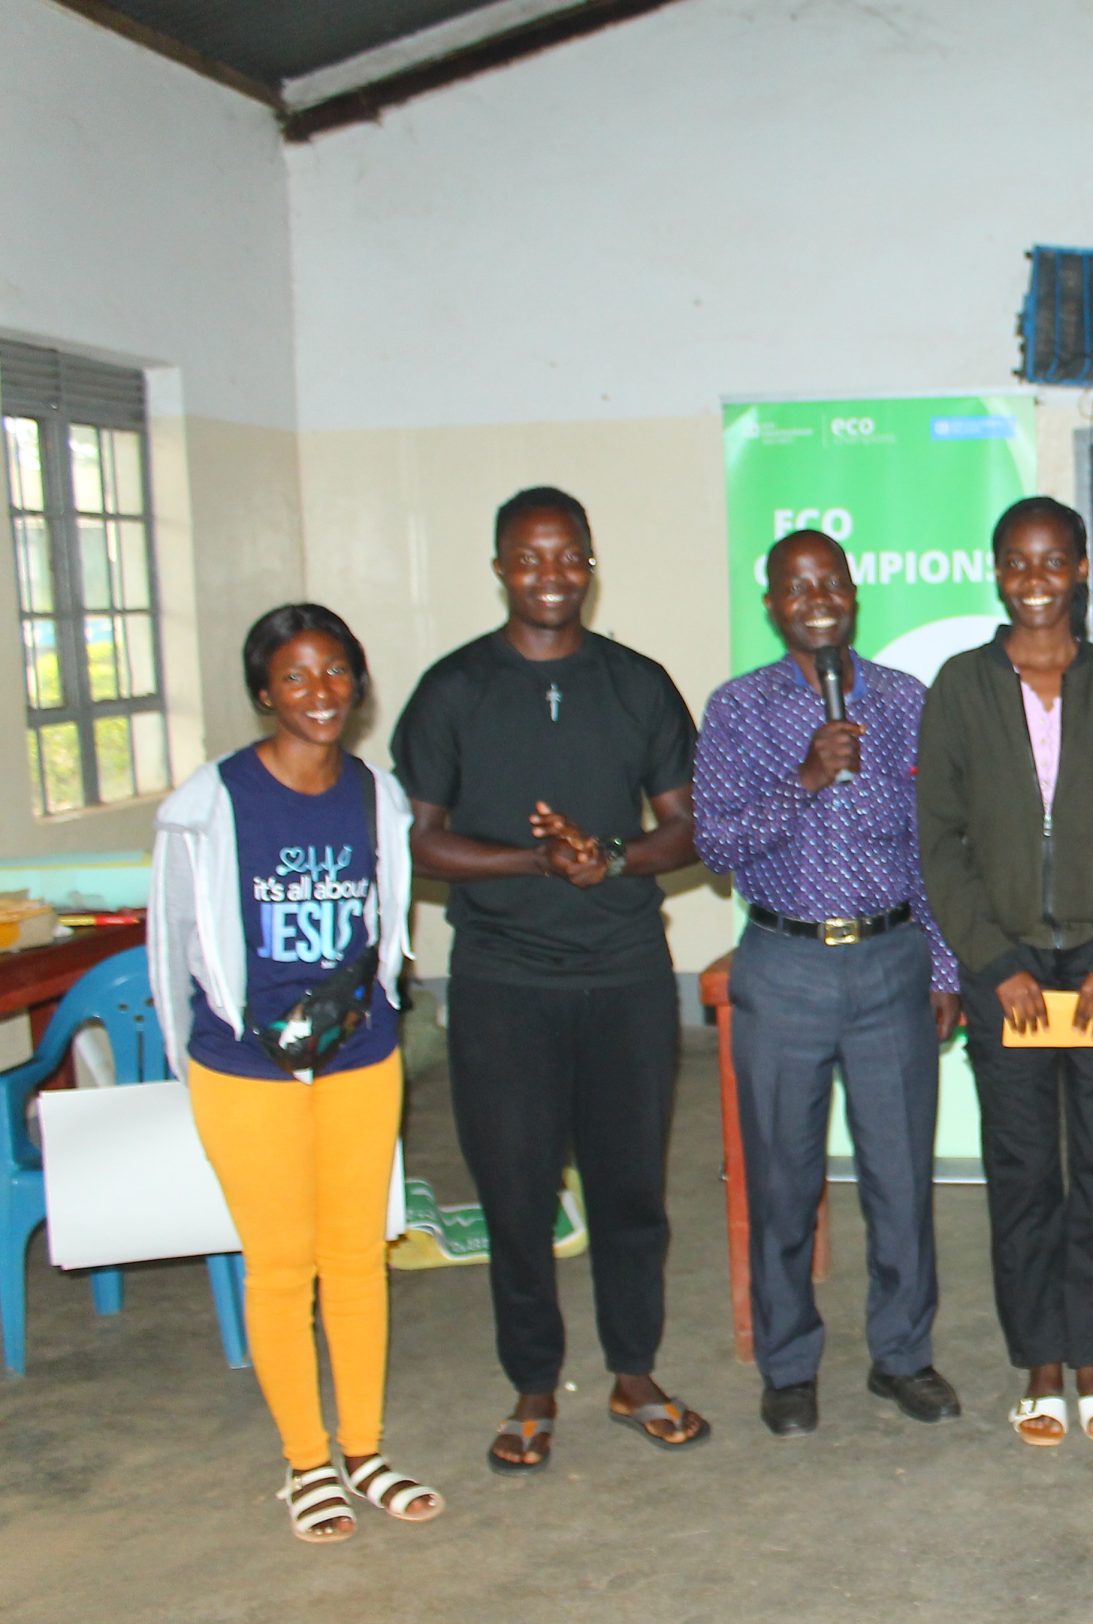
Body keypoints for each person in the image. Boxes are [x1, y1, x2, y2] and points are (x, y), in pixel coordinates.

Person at [391, 485, 710, 1473]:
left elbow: (689, 826)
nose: (550, 575)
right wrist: (535, 860)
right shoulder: (454, 690)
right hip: (503, 983)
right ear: (500, 569)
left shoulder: (637, 684)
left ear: (590, 563)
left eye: (567, 555)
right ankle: (532, 1385)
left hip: (625, 978)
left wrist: (607, 858)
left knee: (630, 1194)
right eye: (529, 558)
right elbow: (418, 840)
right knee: (517, 1196)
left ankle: (634, 1373)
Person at [149, 605, 437, 1541]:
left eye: (336, 670)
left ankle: (364, 1449)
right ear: (264, 692)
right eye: (296, 676)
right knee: (280, 1267)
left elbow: (385, 922)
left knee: (356, 1258)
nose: (321, 692)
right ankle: (306, 1461)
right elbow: (173, 946)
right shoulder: (207, 805)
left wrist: (385, 1007)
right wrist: (192, 1060)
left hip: (359, 1054)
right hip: (246, 1069)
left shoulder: (377, 795)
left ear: (358, 682)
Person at [693, 530, 965, 1437]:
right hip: (786, 966)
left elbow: (931, 843)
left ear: (854, 593)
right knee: (783, 1179)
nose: (818, 599)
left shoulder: (905, 700)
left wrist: (941, 962)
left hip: (891, 960)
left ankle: (903, 1355)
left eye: (832, 582)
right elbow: (717, 844)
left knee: (901, 1177)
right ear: (772, 605)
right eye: (797, 586)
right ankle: (788, 1365)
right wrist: (807, 777)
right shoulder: (737, 708)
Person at [918, 496, 1093, 1447]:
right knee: (1021, 1171)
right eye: (1017, 561)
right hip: (1008, 967)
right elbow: (940, 840)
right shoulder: (961, 686)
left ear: (1083, 568)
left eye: (1054, 559)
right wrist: (993, 961)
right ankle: (1040, 1364)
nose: (1035, 579)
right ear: (996, 572)